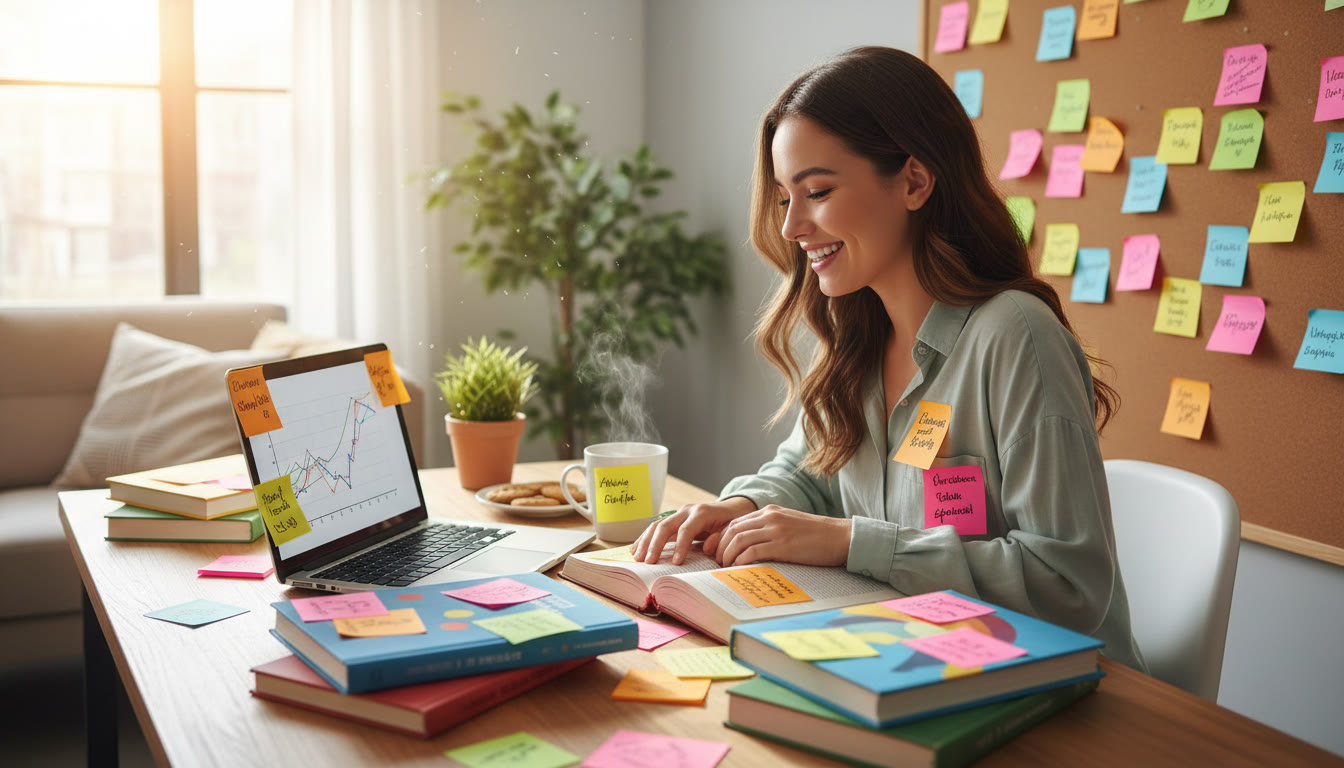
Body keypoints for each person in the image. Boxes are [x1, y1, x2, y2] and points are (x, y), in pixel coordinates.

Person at [632, 46, 1145, 670]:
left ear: (914, 181)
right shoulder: (857, 331)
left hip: (1061, 695)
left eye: (817, 191)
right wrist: (742, 507)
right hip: (919, 662)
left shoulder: (1015, 336)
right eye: (784, 199)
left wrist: (853, 542)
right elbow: (808, 474)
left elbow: (1066, 586)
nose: (792, 227)